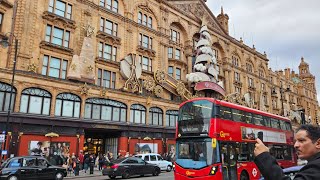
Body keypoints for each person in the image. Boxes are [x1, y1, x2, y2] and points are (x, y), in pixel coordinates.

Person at [254, 124, 320, 180]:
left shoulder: (316, 167)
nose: (295, 145)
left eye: (301, 140)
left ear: (318, 143)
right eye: (295, 141)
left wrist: (264, 157)